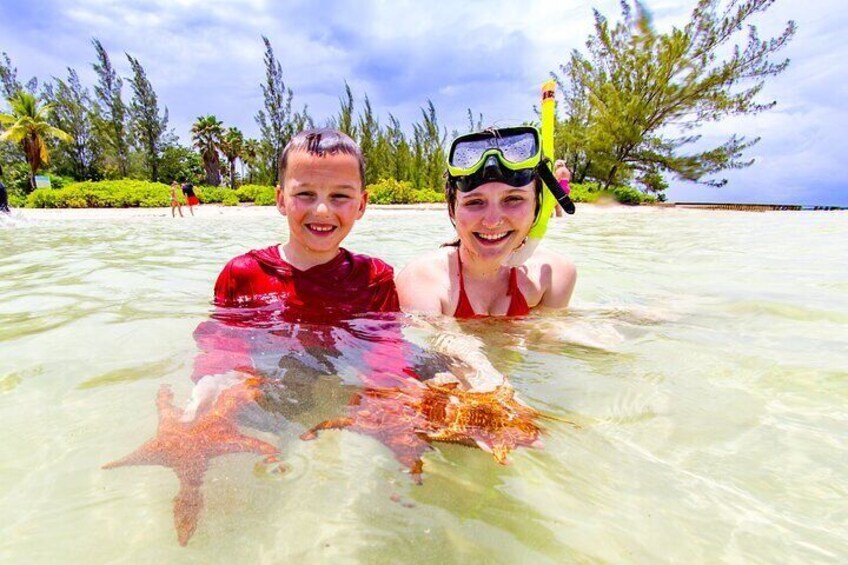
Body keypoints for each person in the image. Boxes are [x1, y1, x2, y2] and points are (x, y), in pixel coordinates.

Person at [397, 126, 577, 317]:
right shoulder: (423, 280)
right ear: (452, 209)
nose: (492, 222)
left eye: (513, 199)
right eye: (475, 202)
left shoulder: (555, 276)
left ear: (537, 208)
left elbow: (547, 342)